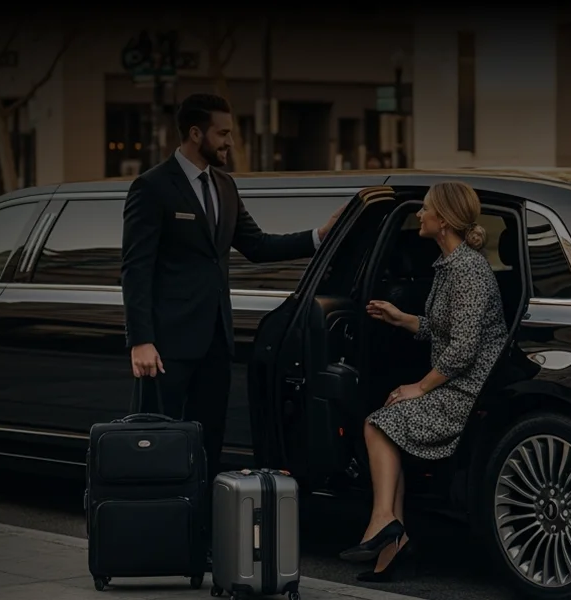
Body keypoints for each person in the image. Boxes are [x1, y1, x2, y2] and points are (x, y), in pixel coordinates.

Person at [120, 92, 343, 475]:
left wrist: (318, 236)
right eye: (222, 133)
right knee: (159, 440)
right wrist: (141, 339)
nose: (230, 142)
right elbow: (136, 268)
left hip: (216, 343)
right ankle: (160, 522)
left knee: (209, 441)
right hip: (166, 347)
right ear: (195, 133)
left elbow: (256, 245)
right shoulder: (152, 187)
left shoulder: (225, 186)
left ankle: (203, 522)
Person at [342, 181, 510, 581]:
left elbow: (464, 349)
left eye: (426, 208)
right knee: (388, 415)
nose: (419, 213)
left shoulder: (467, 269)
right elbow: (441, 330)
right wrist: (402, 318)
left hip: (467, 392)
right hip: (456, 382)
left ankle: (384, 523)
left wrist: (420, 386)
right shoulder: (449, 264)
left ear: (445, 220)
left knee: (377, 423)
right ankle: (391, 545)